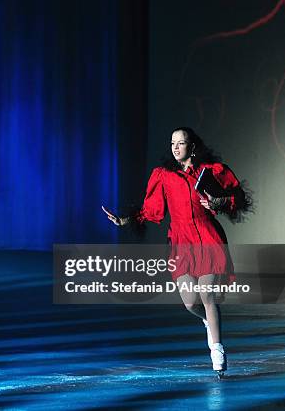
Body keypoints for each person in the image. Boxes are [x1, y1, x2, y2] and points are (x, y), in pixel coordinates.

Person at [102, 127, 252, 378]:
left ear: (192, 147)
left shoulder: (210, 172)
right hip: (181, 241)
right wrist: (125, 220)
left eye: (181, 143)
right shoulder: (164, 176)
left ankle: (217, 350)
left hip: (208, 238)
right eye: (172, 143)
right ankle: (208, 321)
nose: (175, 148)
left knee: (207, 294)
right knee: (191, 302)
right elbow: (151, 211)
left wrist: (219, 202)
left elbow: (236, 197)